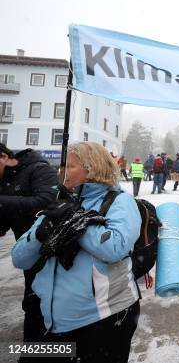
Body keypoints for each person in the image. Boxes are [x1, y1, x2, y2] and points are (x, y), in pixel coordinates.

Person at [12, 142, 141, 363]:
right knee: (27, 356)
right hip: (49, 320)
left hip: (104, 319)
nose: (62, 171)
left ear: (92, 169)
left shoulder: (120, 201)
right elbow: (19, 259)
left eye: (71, 166)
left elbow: (115, 248)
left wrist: (76, 222)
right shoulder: (60, 203)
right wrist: (40, 235)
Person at [0, 143, 58, 359]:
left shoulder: (39, 169)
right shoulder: (3, 181)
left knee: (44, 304)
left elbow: (45, 202)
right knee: (33, 304)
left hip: (52, 251)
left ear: (4, 156)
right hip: (28, 253)